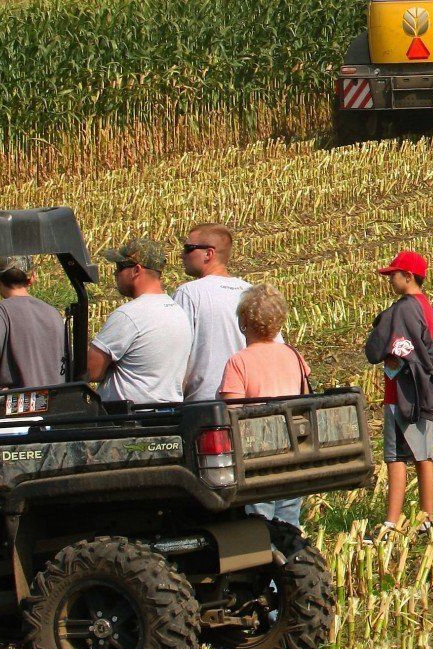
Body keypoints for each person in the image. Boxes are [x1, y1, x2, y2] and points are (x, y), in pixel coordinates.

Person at [218, 284, 309, 527]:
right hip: (292, 447)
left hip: (257, 452)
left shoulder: (239, 362)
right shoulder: (293, 355)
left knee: (260, 518)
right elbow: (305, 395)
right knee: (289, 516)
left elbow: (231, 410)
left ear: (244, 321)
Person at [365, 250, 433, 531]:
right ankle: (427, 518)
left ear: (408, 276)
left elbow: (383, 351)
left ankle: (392, 521)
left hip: (400, 393)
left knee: (395, 458)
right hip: (425, 392)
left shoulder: (402, 308)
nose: (390, 280)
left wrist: (386, 349)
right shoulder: (426, 306)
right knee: (424, 456)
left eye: (393, 275)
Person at [88, 238, 193, 404]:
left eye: (120, 267)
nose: (116, 273)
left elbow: (91, 371)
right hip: (167, 416)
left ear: (136, 270)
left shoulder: (129, 315)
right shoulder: (178, 312)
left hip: (130, 422)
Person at [174, 223, 250, 402]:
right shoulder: (251, 292)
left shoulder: (190, 293)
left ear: (209, 253)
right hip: (248, 401)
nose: (182, 255)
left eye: (188, 248)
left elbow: (176, 353)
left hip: (205, 403)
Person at [0, 255, 65, 393]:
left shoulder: (1, 311)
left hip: (18, 408)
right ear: (32, 278)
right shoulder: (53, 313)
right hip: (55, 405)